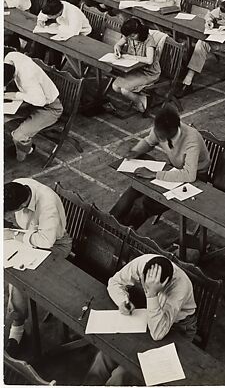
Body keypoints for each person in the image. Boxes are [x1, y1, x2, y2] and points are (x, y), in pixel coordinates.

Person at [86, 255, 196, 386]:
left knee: (123, 374)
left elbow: (158, 333)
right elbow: (115, 282)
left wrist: (151, 295)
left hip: (177, 329)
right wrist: (122, 301)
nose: (145, 288)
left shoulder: (179, 288)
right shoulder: (143, 262)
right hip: (149, 317)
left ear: (166, 283)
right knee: (103, 358)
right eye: (144, 283)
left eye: (150, 287)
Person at [110, 105, 210, 228]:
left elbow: (189, 175)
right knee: (133, 190)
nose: (156, 135)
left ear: (172, 131)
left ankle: (121, 235)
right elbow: (149, 141)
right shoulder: (161, 127)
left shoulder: (191, 139)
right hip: (173, 170)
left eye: (160, 135)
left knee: (143, 204)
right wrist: (136, 151)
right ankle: (107, 223)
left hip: (195, 180)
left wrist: (154, 174)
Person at [4, 179, 72, 356]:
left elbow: (45, 241)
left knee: (19, 271)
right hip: (30, 237)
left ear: (22, 205)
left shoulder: (47, 204)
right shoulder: (16, 187)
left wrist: (15, 235)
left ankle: (17, 325)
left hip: (55, 245)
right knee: (12, 264)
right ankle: (17, 321)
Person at [4, 52, 63, 162]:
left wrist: (16, 95)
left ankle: (25, 152)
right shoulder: (10, 58)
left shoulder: (27, 78)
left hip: (49, 108)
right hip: (31, 102)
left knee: (19, 136)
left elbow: (40, 101)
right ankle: (22, 147)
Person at [111, 18, 161, 112]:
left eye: (132, 36)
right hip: (135, 69)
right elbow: (118, 44)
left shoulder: (148, 40)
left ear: (139, 32)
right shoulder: (130, 36)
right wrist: (116, 49)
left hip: (149, 72)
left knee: (125, 90)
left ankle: (139, 101)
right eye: (128, 36)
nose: (129, 38)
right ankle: (141, 98)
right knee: (115, 86)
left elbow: (149, 60)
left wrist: (131, 57)